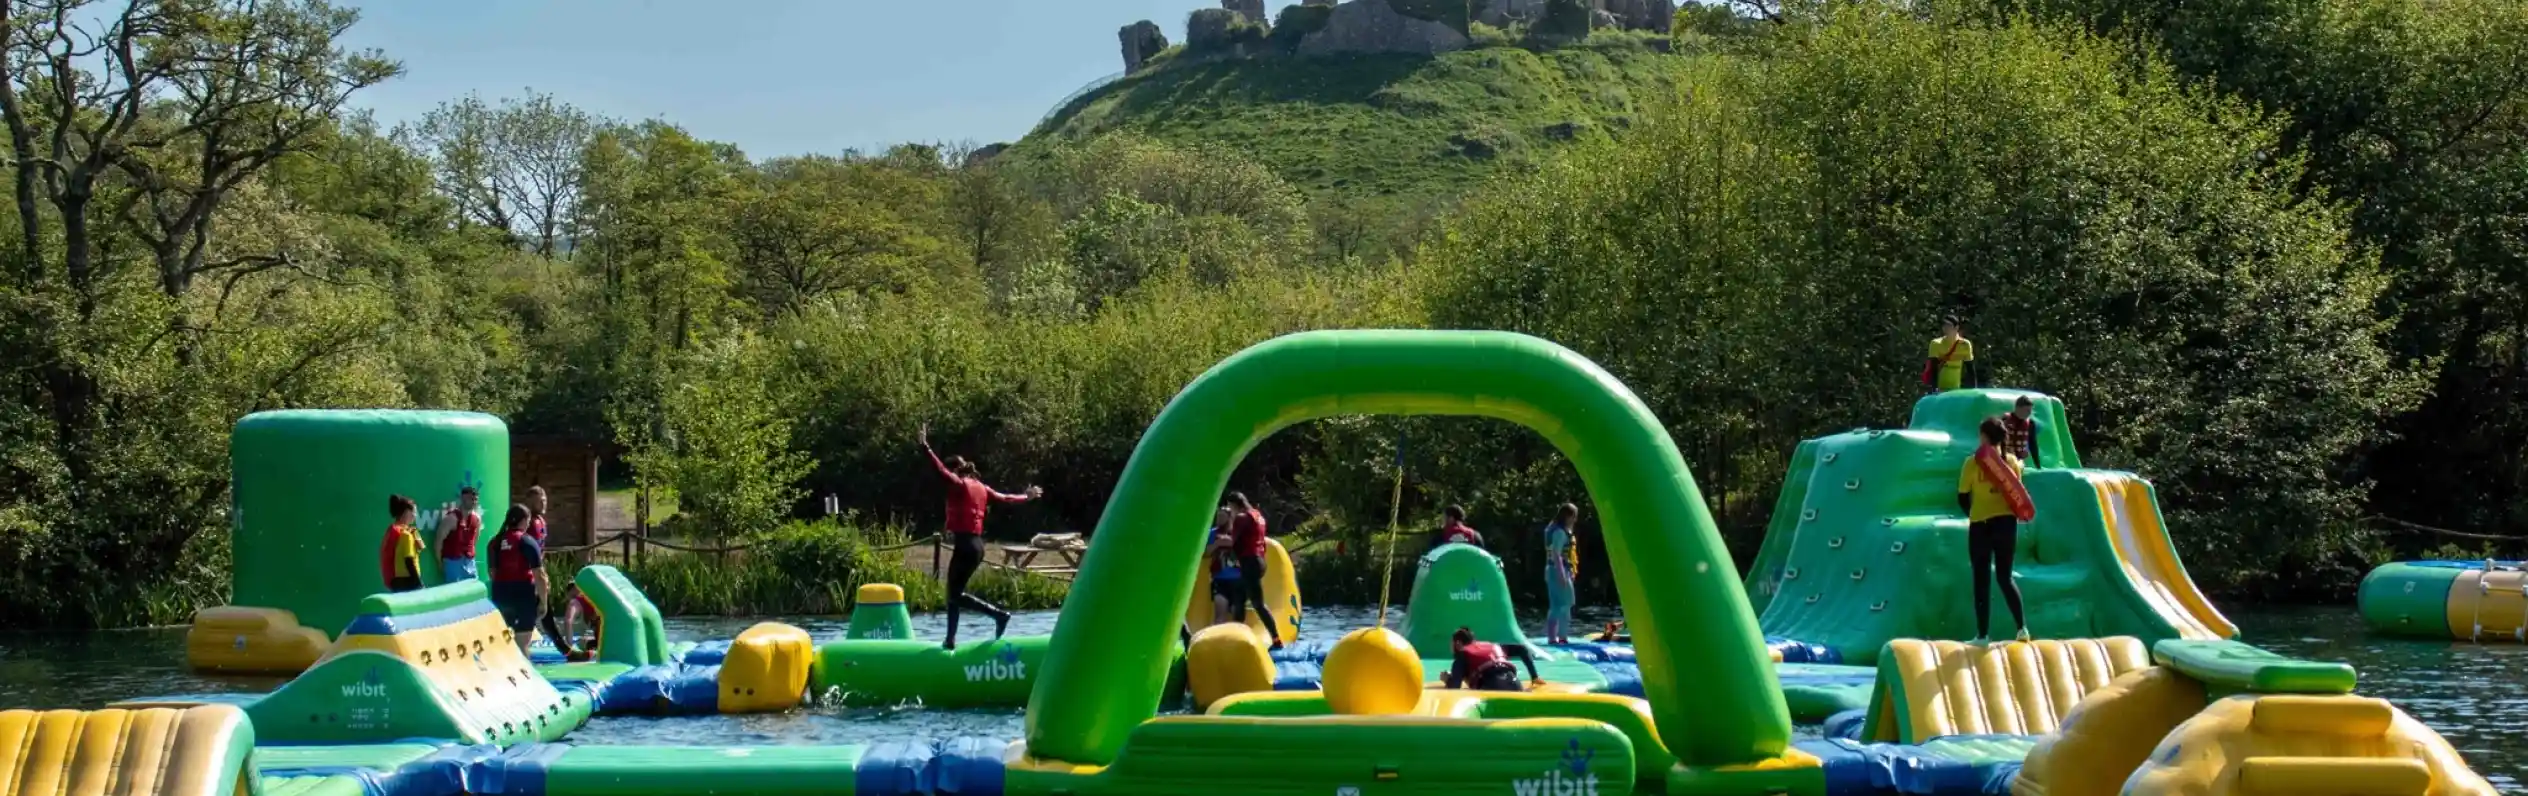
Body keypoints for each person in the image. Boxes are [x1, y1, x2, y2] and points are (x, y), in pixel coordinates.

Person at [919, 423, 1042, 650]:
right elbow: (1006, 498)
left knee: (954, 594)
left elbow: (940, 471)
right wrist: (1027, 496)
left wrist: (925, 446)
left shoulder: (960, 484)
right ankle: (950, 640)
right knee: (953, 594)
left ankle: (998, 615)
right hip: (976, 546)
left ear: (956, 471)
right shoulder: (981, 487)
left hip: (966, 546)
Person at [1957, 416, 2035, 644]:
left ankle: (1982, 636)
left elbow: (1962, 497)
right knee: (2005, 577)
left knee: (1981, 580)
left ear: (1983, 436)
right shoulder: (2011, 462)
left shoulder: (1972, 462)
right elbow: (2017, 496)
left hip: (1981, 525)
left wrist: (1974, 513)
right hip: (2007, 525)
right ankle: (2022, 629)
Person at [1225, 492, 1285, 650]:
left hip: (1249, 562)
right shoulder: (1257, 515)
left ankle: (1276, 638)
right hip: (1259, 561)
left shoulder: (1241, 517)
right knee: (1239, 599)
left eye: (1230, 506)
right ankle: (1237, 637)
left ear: (1233, 504)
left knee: (1257, 603)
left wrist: (1231, 557)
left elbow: (1233, 540)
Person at [486, 505, 548, 657]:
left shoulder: (495, 542)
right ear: (524, 520)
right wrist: (543, 601)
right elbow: (539, 574)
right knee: (522, 645)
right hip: (523, 595)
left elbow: (492, 573)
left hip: (501, 594)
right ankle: (525, 677)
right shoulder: (526, 541)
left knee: (504, 644)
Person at [1443, 626, 1542, 691]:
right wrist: (1534, 677)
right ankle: (1536, 679)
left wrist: (1447, 679)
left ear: (1458, 643)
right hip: (1515, 684)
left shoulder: (1462, 655)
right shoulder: (1493, 646)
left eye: (1451, 643)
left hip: (1491, 686)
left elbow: (1455, 686)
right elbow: (1522, 649)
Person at [1542, 503, 1580, 645]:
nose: (1574, 520)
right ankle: (1561, 637)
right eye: (1574, 516)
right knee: (1565, 603)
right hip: (1558, 570)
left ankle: (1553, 637)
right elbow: (1557, 554)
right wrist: (1562, 574)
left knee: (1557, 604)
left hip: (1553, 570)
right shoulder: (1559, 532)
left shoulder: (1553, 529)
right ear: (1568, 516)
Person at [436, 485, 483, 584]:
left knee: (474, 593)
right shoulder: (451, 518)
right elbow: (438, 542)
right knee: (454, 593)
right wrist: (440, 563)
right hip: (452, 562)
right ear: (463, 498)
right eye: (471, 499)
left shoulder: (477, 519)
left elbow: (474, 540)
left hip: (470, 562)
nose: (474, 502)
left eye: (475, 499)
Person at [542, 581, 600, 661]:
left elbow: (568, 621)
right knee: (587, 643)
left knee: (585, 643)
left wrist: (569, 647)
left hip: (603, 635)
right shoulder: (590, 599)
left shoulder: (575, 601)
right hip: (605, 634)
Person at [378, 495, 425, 593]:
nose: (415, 515)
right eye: (413, 512)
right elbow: (409, 560)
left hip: (398, 582)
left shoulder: (397, 530)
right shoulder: (404, 534)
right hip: (406, 581)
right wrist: (419, 583)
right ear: (405, 512)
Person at [1923, 317, 1978, 393]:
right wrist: (1934, 389)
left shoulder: (1965, 344)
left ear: (1956, 328)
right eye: (1944, 326)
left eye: (1949, 326)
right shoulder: (1936, 343)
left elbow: (1970, 369)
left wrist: (1974, 390)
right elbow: (1933, 368)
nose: (1946, 329)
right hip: (1939, 389)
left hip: (1955, 389)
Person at [1205, 507, 1240, 627]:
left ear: (1230, 518)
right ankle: (1216, 642)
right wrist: (1217, 544)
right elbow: (1206, 553)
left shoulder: (1238, 533)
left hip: (1238, 580)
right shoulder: (1212, 533)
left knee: (1237, 616)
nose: (1219, 519)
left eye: (1222, 517)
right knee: (1219, 615)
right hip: (1219, 579)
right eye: (1218, 516)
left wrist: (1232, 543)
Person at [2000, 397, 2044, 468]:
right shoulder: (2006, 420)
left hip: (2019, 461)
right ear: (2017, 408)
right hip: (2006, 458)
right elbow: (1997, 440)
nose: (2029, 413)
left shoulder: (2030, 423)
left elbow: (2033, 444)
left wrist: (2038, 465)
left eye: (2030, 411)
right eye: (2027, 410)